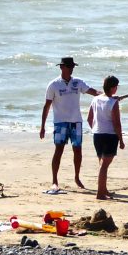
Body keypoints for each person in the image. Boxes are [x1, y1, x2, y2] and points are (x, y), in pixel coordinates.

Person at [40, 56, 99, 193]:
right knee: (58, 150)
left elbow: (93, 92)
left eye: (72, 67)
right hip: (60, 123)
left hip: (76, 122)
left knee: (77, 150)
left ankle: (77, 177)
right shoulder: (53, 85)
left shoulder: (77, 83)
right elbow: (46, 106)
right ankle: (54, 180)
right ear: (61, 67)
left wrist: (106, 95)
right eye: (69, 66)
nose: (71, 69)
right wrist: (42, 126)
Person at [87, 76, 125, 200]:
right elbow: (116, 123)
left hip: (97, 134)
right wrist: (121, 140)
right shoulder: (113, 103)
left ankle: (103, 189)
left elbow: (89, 118)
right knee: (104, 165)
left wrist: (95, 128)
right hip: (109, 135)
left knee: (102, 163)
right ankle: (100, 193)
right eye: (116, 87)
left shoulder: (96, 99)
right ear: (113, 88)